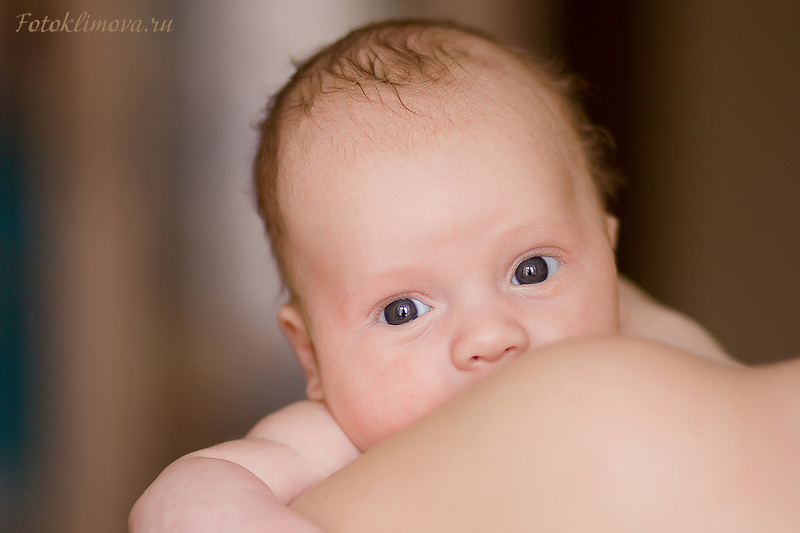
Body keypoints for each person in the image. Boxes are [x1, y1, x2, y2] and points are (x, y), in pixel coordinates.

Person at [129, 19, 753, 532]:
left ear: (610, 268)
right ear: (312, 355)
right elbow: (182, 499)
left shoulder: (655, 359)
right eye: (403, 310)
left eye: (532, 270)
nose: (489, 335)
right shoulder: (338, 442)